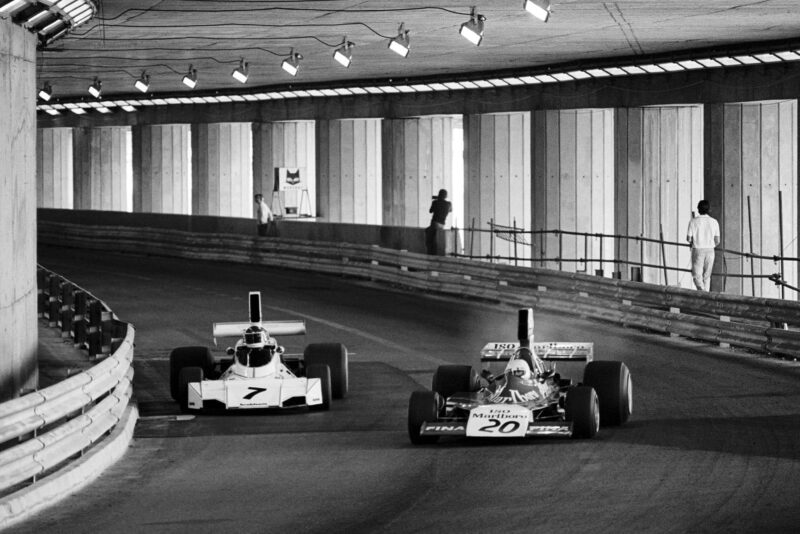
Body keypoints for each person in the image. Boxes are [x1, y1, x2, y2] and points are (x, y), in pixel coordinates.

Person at [686, 199, 720, 291]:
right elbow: (717, 241)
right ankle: (706, 295)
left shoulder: (693, 221)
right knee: (707, 276)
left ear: (698, 209)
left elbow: (688, 239)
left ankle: (702, 292)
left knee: (697, 275)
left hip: (698, 249)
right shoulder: (714, 222)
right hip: (710, 250)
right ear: (709, 210)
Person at [425, 189, 452, 255]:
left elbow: (430, 211)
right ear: (446, 196)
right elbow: (450, 210)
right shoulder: (449, 204)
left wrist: (436, 200)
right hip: (442, 225)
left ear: (439, 195)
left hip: (434, 223)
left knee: (429, 240)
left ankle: (430, 255)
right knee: (433, 237)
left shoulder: (435, 202)